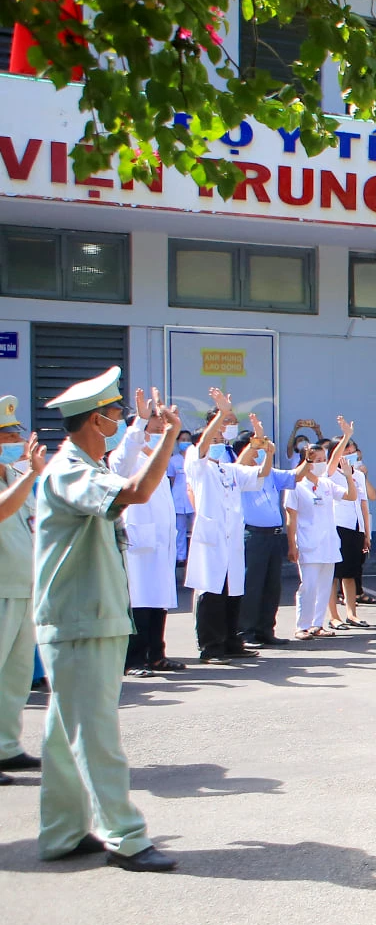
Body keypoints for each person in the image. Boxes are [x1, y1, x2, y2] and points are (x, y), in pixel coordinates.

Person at [34, 365, 183, 870]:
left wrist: (156, 438)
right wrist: (169, 439)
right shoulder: (69, 469)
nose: (123, 418)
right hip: (80, 618)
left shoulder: (85, 467)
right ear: (97, 422)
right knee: (95, 732)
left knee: (64, 733)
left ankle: (61, 831)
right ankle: (126, 836)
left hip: (89, 615)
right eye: (117, 413)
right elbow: (137, 492)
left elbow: (126, 486)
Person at [184, 394, 272, 664]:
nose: (221, 443)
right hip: (211, 539)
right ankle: (210, 647)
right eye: (216, 440)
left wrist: (267, 453)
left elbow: (259, 475)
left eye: (222, 440)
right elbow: (201, 447)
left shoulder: (227, 469)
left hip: (232, 539)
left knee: (233, 591)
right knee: (211, 593)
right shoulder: (196, 465)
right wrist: (221, 414)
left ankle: (232, 641)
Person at [108, 390, 184, 678]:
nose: (158, 421)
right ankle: (133, 659)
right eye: (154, 418)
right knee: (139, 601)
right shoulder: (126, 456)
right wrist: (140, 421)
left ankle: (157, 655)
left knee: (159, 599)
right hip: (139, 541)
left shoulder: (158, 459)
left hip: (160, 541)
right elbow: (125, 457)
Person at [0, 396, 43, 780]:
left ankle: (6, 746)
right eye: (7, 435)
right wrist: (30, 474)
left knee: (14, 675)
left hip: (22, 585)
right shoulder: (19, 479)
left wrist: (31, 473)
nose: (15, 440)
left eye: (15, 433)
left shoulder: (15, 476)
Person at [236, 422, 302, 647]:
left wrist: (309, 459)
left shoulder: (271, 473)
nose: (261, 450)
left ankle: (266, 629)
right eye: (256, 447)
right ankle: (246, 631)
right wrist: (259, 439)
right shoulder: (240, 473)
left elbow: (295, 477)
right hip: (253, 536)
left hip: (274, 536)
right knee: (251, 585)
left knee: (272, 585)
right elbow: (245, 461)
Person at [286, 432, 352, 639]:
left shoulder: (326, 484)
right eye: (317, 461)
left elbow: (351, 496)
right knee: (309, 586)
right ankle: (301, 626)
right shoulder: (295, 484)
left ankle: (317, 624)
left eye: (324, 460)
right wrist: (292, 546)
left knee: (324, 586)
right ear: (306, 462)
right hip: (308, 544)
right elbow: (291, 518)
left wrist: (349, 476)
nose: (322, 464)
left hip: (329, 543)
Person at [329, 426, 372, 629]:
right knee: (334, 573)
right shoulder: (331, 473)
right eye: (345, 451)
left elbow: (363, 503)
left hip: (356, 527)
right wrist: (346, 436)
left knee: (351, 572)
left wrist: (366, 532)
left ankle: (351, 613)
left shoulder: (359, 475)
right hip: (338, 525)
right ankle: (333, 615)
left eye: (352, 451)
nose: (349, 455)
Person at [167, 432, 194, 564]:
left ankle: (195, 557)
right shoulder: (173, 460)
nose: (185, 442)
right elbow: (172, 480)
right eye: (183, 440)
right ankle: (181, 557)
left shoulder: (195, 459)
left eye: (188, 440)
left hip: (193, 499)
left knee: (196, 530)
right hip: (178, 500)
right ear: (177, 442)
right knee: (180, 530)